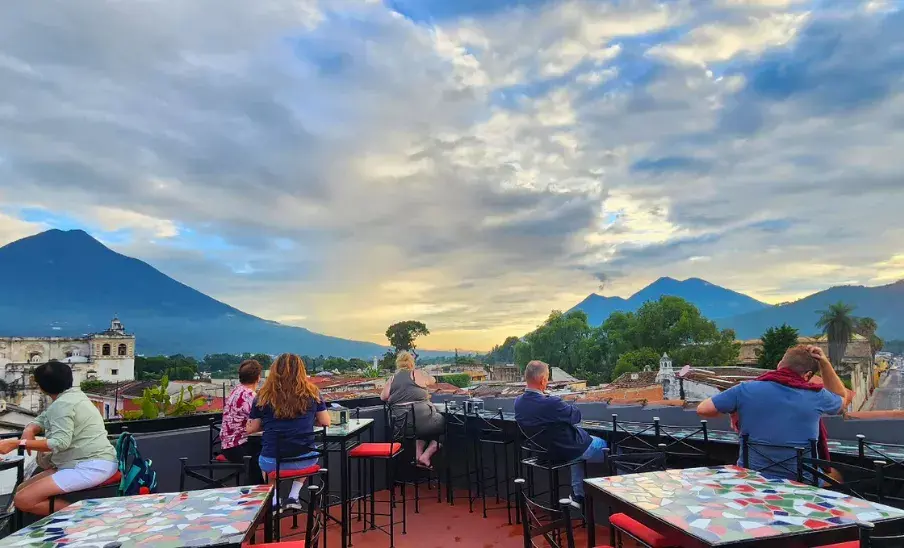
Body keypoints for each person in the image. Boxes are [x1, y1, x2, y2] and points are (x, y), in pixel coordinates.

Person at [697, 345, 851, 480]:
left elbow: (703, 409)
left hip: (751, 476)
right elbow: (842, 398)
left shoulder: (745, 389)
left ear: (779, 365)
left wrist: (735, 411)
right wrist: (824, 363)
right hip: (800, 479)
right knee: (837, 475)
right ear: (808, 375)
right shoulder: (818, 395)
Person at [0, 360, 117, 516]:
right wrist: (30, 428)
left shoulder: (62, 405)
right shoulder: (73, 396)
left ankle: (87, 516)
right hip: (86, 460)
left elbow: (59, 443)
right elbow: (45, 417)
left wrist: (16, 443)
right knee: (22, 489)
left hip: (90, 465)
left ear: (41, 387)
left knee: (23, 499)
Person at [514, 360, 606, 506]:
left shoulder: (518, 402)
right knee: (613, 451)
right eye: (547, 378)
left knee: (575, 452)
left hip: (546, 452)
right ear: (543, 380)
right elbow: (576, 416)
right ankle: (622, 500)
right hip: (567, 450)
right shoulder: (551, 403)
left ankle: (578, 496)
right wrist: (559, 403)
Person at [246, 353, 330, 509]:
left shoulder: (262, 395)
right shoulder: (313, 393)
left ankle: (275, 499)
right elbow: (325, 421)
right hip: (305, 459)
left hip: (272, 462)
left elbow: (254, 427)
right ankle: (293, 496)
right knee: (308, 452)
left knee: (267, 463)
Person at [380, 350, 445, 469]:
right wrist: (425, 374)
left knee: (419, 430)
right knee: (445, 426)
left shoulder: (392, 378)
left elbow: (383, 397)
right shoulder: (417, 374)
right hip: (423, 422)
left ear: (398, 363)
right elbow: (432, 381)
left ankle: (418, 456)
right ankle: (426, 455)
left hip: (401, 427)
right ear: (411, 363)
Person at [220, 359, 263, 480]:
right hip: (240, 446)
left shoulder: (235, 391)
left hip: (227, 446)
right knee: (268, 459)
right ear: (258, 377)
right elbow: (259, 422)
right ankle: (260, 494)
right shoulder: (250, 396)